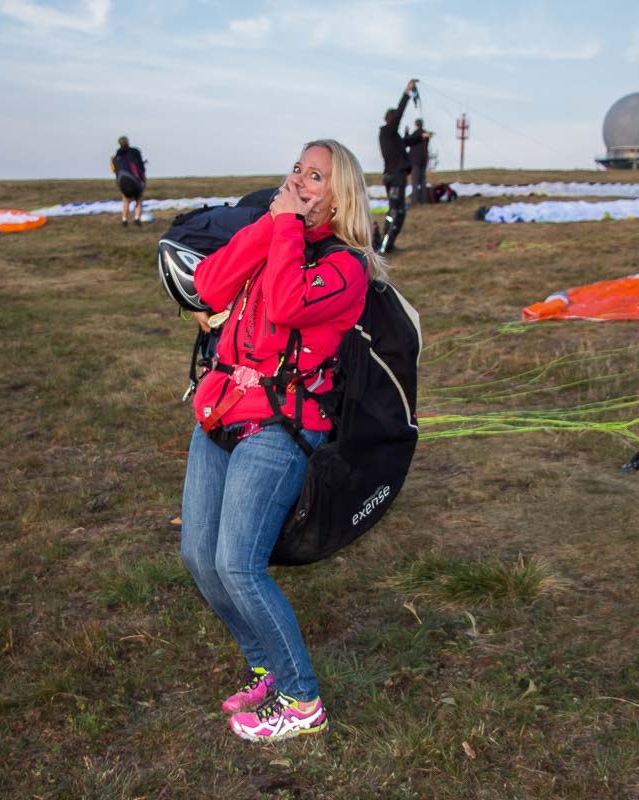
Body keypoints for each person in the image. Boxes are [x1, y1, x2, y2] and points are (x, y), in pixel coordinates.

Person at [180, 139, 383, 743]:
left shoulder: (347, 267)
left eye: (315, 175)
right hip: (221, 410)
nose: (298, 180)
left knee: (238, 565)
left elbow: (290, 302)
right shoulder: (278, 234)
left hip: (281, 425)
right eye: (297, 169)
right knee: (199, 557)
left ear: (340, 196)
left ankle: (301, 700)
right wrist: (271, 225)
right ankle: (266, 668)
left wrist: (287, 227)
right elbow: (209, 286)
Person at [378, 79, 416, 253]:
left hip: (397, 176)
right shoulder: (387, 132)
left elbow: (407, 141)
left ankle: (389, 244)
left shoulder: (393, 137)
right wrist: (406, 93)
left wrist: (421, 136)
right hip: (394, 177)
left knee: (399, 211)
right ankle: (384, 246)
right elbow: (399, 114)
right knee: (395, 211)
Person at [112, 136, 147, 226]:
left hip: (122, 180)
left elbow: (115, 169)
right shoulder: (135, 152)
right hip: (133, 179)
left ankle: (124, 219)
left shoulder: (117, 156)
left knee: (126, 199)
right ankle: (136, 218)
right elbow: (140, 167)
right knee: (138, 198)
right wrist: (143, 180)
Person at [407, 118, 431, 205]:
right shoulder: (426, 135)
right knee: (423, 182)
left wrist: (406, 133)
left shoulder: (415, 134)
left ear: (416, 125)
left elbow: (408, 141)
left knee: (415, 182)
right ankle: (424, 200)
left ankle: (415, 201)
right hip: (423, 160)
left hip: (415, 161)